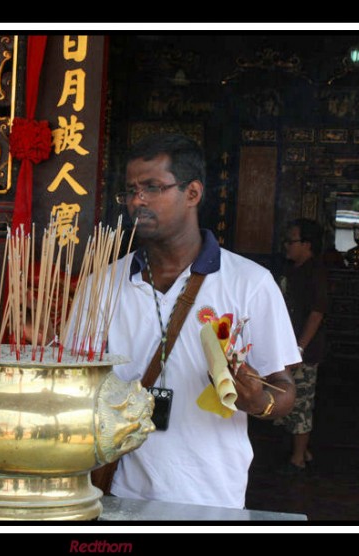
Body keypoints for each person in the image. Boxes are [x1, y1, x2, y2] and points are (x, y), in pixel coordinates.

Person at [88, 133, 299, 509]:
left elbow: (284, 389)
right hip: (118, 490)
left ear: (193, 193)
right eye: (131, 191)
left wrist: (258, 400)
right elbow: (76, 379)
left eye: (152, 188)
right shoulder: (102, 284)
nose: (138, 201)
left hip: (210, 495)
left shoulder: (250, 283)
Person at [273, 218, 328, 474]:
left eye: (291, 240)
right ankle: (302, 450)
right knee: (287, 399)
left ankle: (297, 458)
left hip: (302, 352)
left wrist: (300, 348)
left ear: (307, 244)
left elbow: (316, 313)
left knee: (301, 402)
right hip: (286, 348)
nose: (286, 245)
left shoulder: (315, 271)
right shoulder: (291, 268)